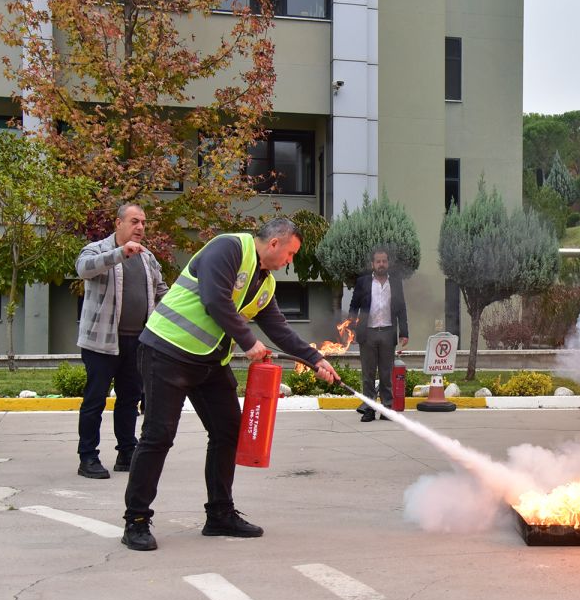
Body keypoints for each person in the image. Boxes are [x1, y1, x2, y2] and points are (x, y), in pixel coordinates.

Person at [121, 217, 339, 551]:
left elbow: (278, 327)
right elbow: (214, 298)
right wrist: (248, 341)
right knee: (158, 436)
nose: (290, 262)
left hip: (208, 362)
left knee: (227, 432)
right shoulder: (229, 247)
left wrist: (314, 359)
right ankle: (136, 520)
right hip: (166, 352)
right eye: (291, 254)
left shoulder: (265, 285)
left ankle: (219, 514)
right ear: (276, 244)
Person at [74, 203, 167, 479]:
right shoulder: (98, 250)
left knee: (129, 400)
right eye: (135, 221)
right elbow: (83, 269)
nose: (140, 227)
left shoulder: (148, 257)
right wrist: (119, 254)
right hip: (101, 344)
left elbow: (162, 290)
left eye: (143, 222)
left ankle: (127, 452)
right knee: (95, 400)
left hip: (137, 343)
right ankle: (87, 457)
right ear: (118, 223)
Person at [348, 245, 408, 422]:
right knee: (368, 374)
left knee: (386, 373)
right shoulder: (363, 282)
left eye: (384, 261)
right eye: (378, 261)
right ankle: (369, 409)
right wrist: (350, 330)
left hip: (388, 332)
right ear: (372, 264)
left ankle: (387, 408)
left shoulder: (395, 282)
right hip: (368, 334)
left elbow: (402, 308)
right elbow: (354, 306)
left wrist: (404, 332)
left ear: (387, 263)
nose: (381, 264)